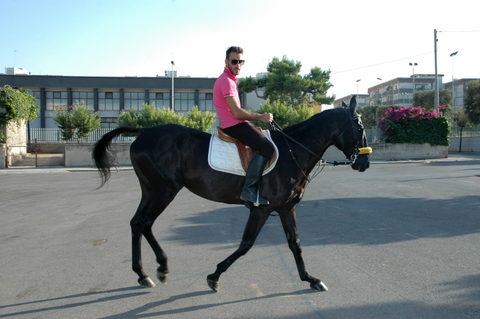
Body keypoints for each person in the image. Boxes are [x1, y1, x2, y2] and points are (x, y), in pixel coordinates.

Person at [213, 46, 275, 207]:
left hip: (237, 124)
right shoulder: (226, 81)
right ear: (226, 62)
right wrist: (261, 117)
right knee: (267, 148)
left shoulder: (231, 81)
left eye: (241, 61)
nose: (238, 65)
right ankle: (249, 190)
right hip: (233, 125)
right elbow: (236, 113)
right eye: (234, 61)